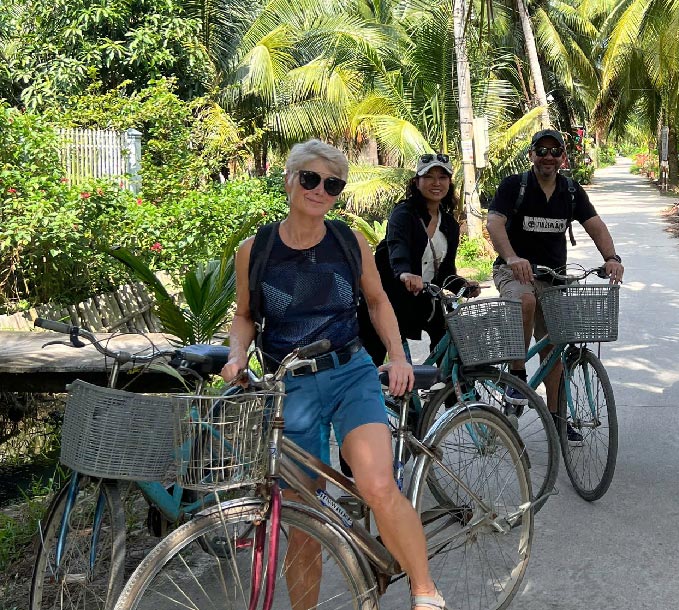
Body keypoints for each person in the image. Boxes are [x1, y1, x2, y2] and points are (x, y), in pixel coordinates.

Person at [220, 139, 446, 610]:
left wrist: (397, 355)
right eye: (310, 179)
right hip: (290, 387)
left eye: (332, 184)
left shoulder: (348, 241)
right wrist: (237, 354)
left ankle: (425, 593)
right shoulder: (255, 250)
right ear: (289, 180)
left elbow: (378, 302)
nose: (320, 190)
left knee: (377, 486)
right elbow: (244, 316)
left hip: (350, 375)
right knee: (304, 518)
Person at [486, 128, 624, 445]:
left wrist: (611, 258)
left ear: (563, 157)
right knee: (525, 301)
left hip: (554, 277)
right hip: (513, 272)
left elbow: (595, 225)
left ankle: (557, 418)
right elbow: (494, 222)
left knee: (553, 350)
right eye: (541, 150)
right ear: (531, 155)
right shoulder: (514, 186)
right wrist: (512, 257)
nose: (548, 157)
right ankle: (517, 375)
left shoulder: (571, 191)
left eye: (554, 151)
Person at [358, 153, 478, 364]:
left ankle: (446, 384)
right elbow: (398, 248)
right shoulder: (404, 214)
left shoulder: (449, 224)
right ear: (416, 182)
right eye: (429, 177)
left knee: (450, 343)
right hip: (387, 297)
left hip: (422, 298)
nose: (436, 183)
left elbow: (445, 272)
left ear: (449, 182)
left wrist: (464, 286)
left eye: (442, 177)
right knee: (372, 359)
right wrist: (405, 273)